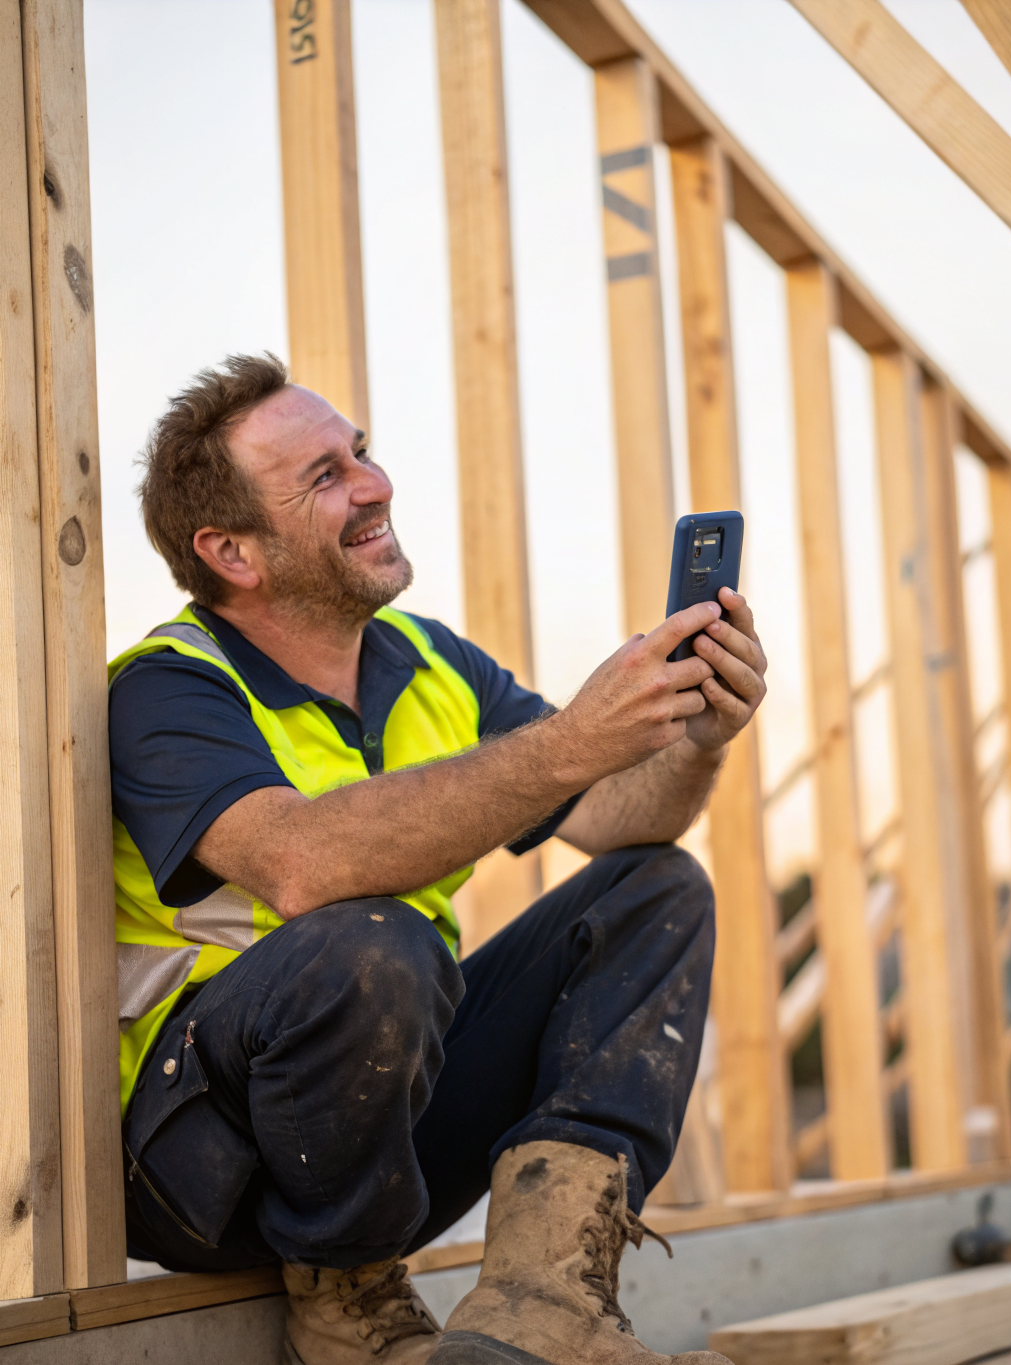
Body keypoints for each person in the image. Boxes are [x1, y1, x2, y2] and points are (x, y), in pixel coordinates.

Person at [109, 353, 767, 1365]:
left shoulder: (429, 665)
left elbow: (623, 821)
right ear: (231, 552)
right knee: (374, 939)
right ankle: (348, 1310)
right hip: (203, 1171)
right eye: (324, 477)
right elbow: (298, 864)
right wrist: (572, 740)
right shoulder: (167, 689)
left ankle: (547, 1300)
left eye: (358, 453)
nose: (374, 485)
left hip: (381, 1136)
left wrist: (696, 731)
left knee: (655, 888)